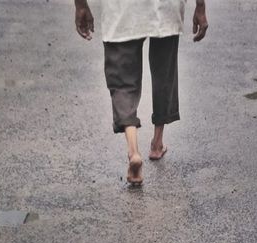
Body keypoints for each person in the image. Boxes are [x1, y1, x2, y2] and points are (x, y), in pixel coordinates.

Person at [74, 0, 208, 185]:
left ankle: (133, 151)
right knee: (164, 72)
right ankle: (157, 144)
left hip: (122, 8)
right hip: (166, 7)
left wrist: (80, 5)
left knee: (122, 80)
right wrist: (200, 6)